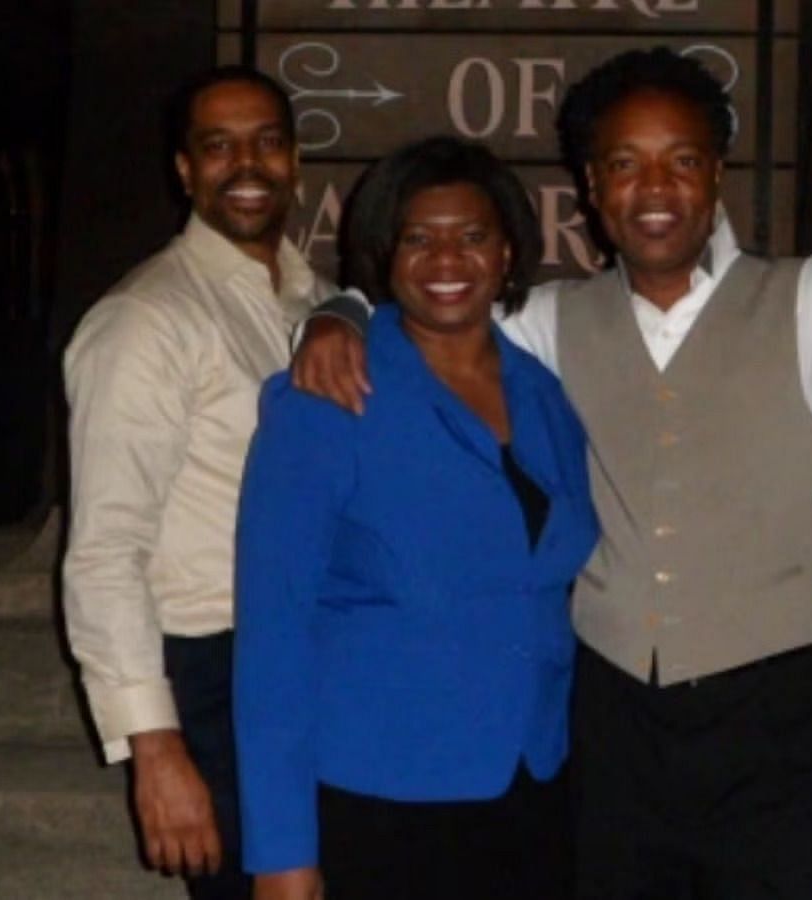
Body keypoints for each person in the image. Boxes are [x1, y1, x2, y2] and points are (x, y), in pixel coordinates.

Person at [293, 48, 812, 899]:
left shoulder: (811, 297)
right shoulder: (548, 321)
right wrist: (337, 312)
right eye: (624, 164)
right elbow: (429, 306)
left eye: (681, 161)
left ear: (716, 175)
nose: (654, 188)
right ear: (592, 188)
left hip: (776, 725)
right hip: (612, 725)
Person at [232, 135, 599, 900]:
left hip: (532, 787)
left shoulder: (546, 395)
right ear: (385, 254)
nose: (446, 259)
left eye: (471, 236)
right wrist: (281, 854)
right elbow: (274, 635)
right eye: (418, 238)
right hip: (379, 797)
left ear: (507, 253)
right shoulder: (326, 398)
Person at [60, 65, 333, 899]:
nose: (245, 164)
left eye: (266, 142)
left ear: (293, 161)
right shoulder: (146, 322)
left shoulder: (309, 297)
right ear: (185, 169)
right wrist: (155, 744)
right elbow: (104, 550)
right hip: (213, 669)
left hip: (310, 659)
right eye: (218, 146)